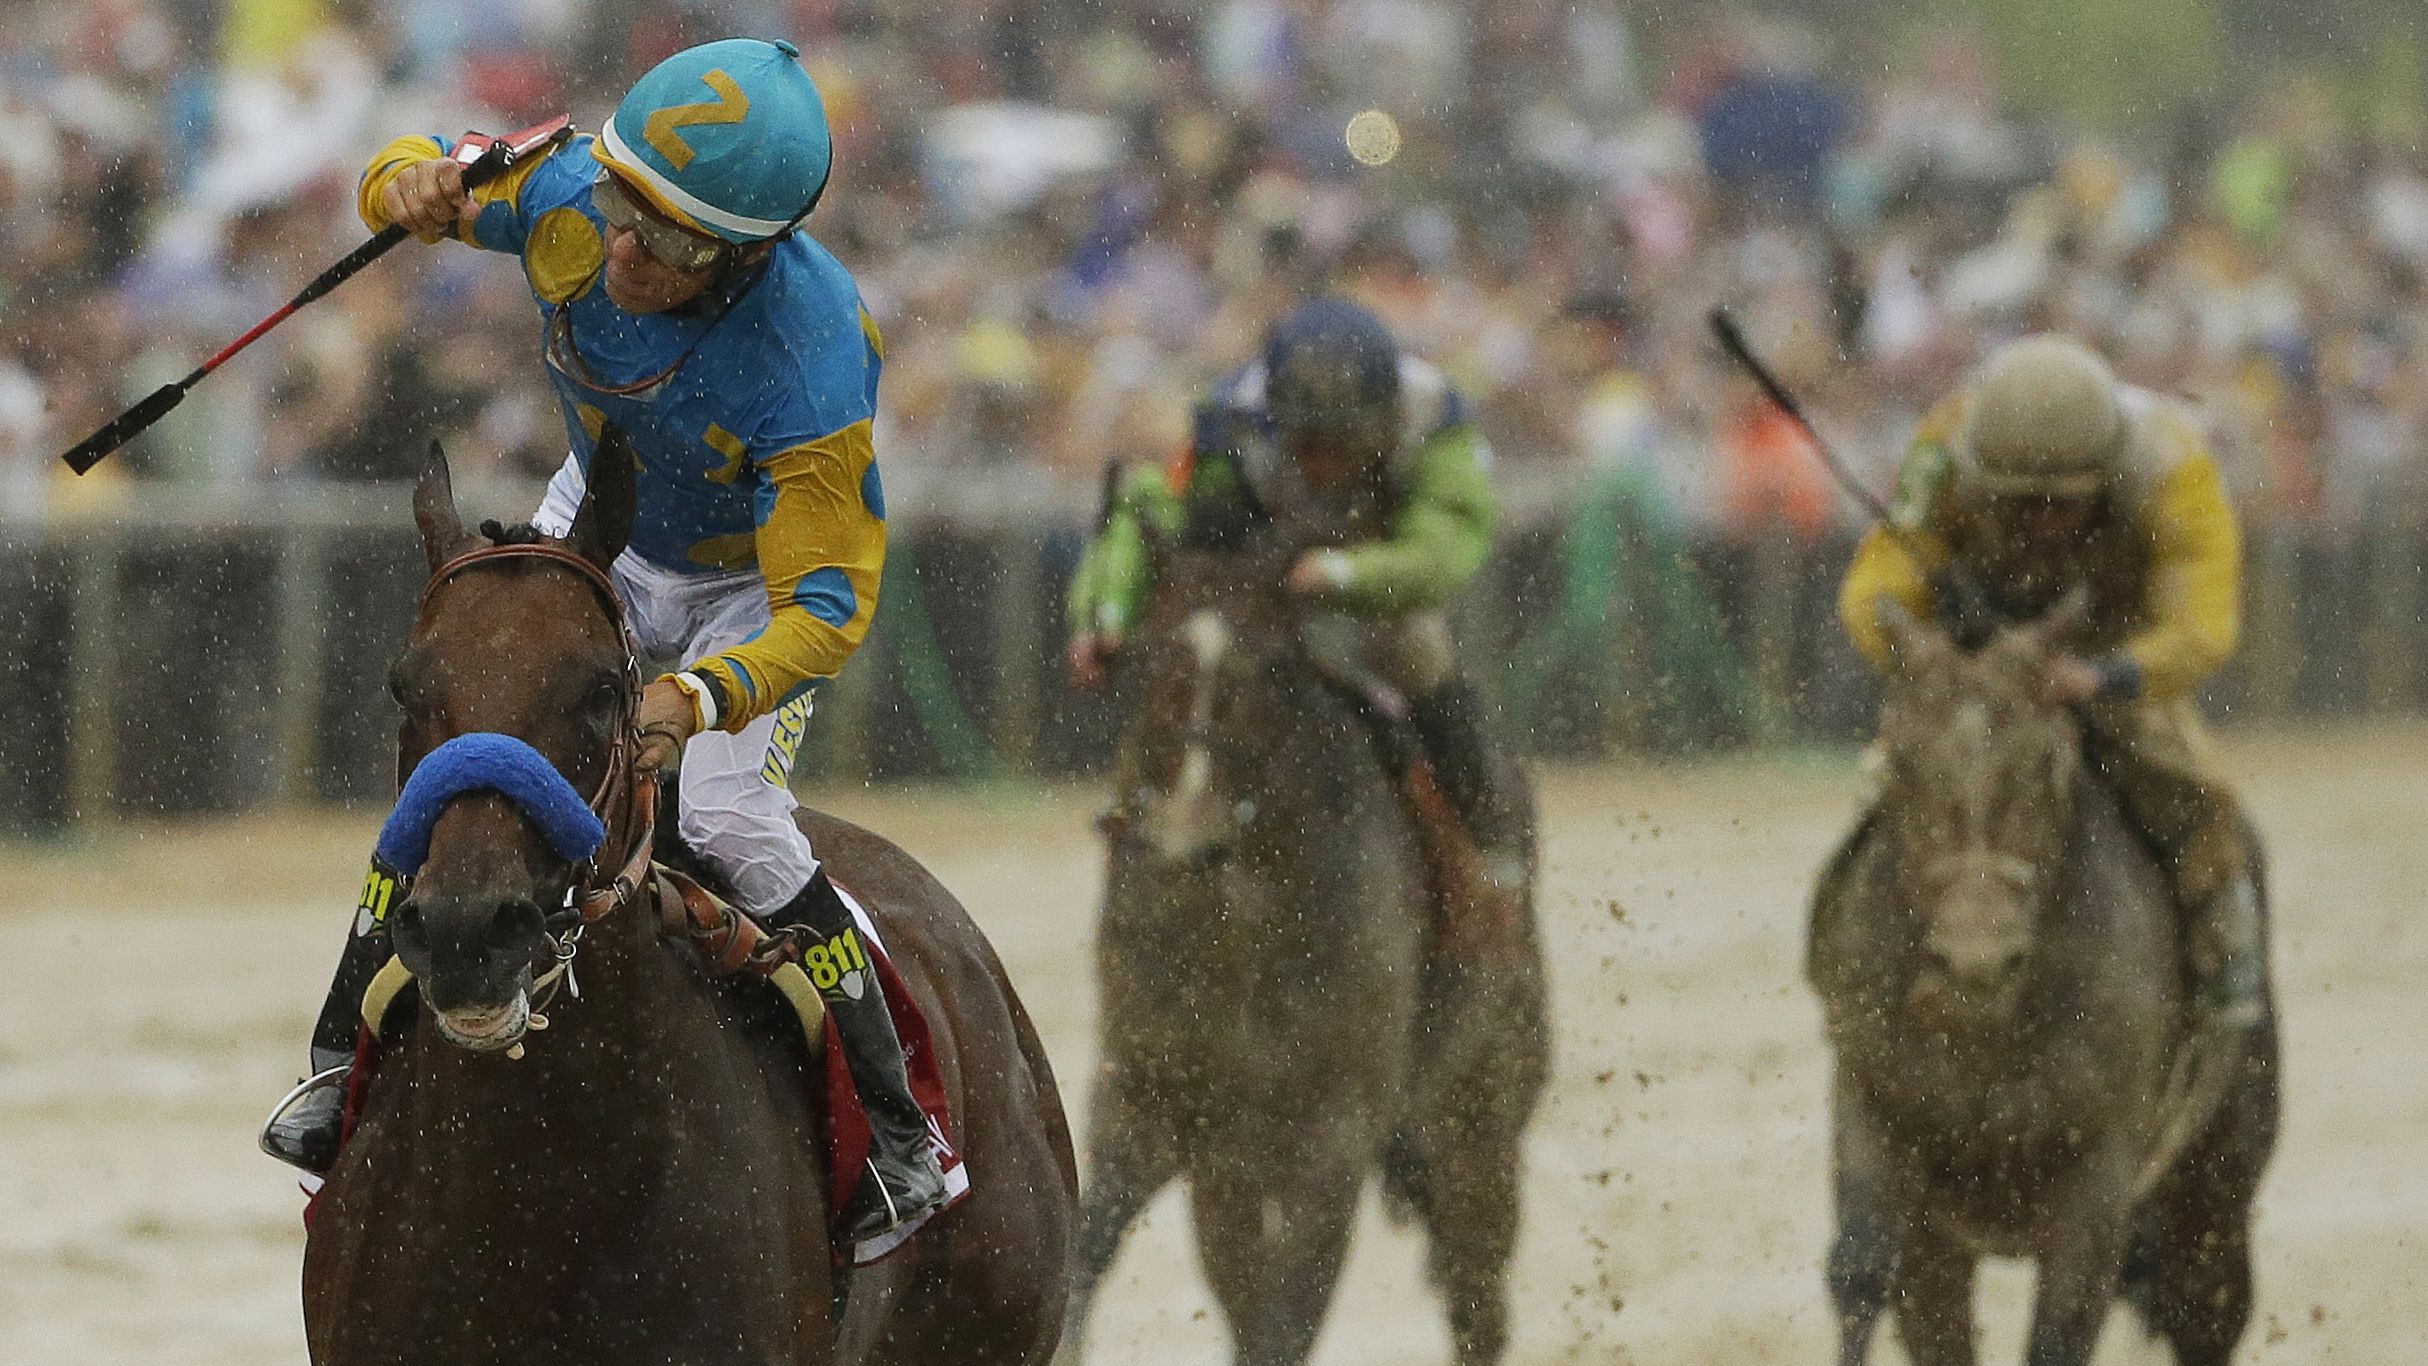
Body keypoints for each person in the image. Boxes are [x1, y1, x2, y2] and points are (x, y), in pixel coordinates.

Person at [260, 38, 945, 1241]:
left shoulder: (813, 357)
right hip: (606, 521)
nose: (625, 251)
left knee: (730, 816)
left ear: (743, 254)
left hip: (748, 591)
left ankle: (901, 1125)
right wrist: (406, 184)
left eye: (670, 244)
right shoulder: (571, 191)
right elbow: (406, 170)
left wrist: (701, 698)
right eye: (625, 210)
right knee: (471, 744)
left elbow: (824, 613)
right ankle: (333, 1065)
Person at [1837, 333, 2268, 1036]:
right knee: (1893, 782)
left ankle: (2227, 962)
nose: (2037, 521)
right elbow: (1878, 579)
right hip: (1974, 660)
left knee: (2197, 795)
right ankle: (1850, 960)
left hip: (2112, 655)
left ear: (2109, 481)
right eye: (2016, 503)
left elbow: (2202, 628)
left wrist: (2102, 677)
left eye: (2059, 503)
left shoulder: (2176, 468)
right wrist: (1924, 653)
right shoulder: (1945, 443)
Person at [1066, 296, 1524, 884]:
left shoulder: (1436, 423)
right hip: (1264, 584)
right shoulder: (1227, 420)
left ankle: (1487, 841)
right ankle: (1147, 825)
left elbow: (1441, 552)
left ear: (1384, 422)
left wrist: (1343, 573)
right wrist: (1107, 611)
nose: (1321, 462)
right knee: (1192, 661)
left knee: (1414, 651)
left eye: (1342, 442)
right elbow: (1148, 511)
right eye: (1305, 441)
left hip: (1378, 593)